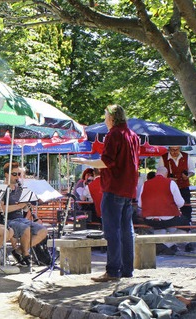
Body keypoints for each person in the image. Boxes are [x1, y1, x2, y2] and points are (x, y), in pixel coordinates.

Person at [72, 104, 140, 282]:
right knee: (127, 231)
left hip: (114, 187)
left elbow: (106, 162)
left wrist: (85, 161)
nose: (104, 120)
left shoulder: (114, 134)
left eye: (105, 116)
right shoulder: (132, 135)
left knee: (112, 232)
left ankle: (113, 271)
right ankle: (127, 270)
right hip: (128, 189)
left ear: (111, 118)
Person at [2, 162, 47, 267]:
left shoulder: (20, 189)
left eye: (19, 174)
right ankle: (26, 255)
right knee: (25, 228)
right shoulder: (2, 189)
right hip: (7, 220)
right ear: (6, 174)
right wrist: (19, 206)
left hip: (20, 219)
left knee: (43, 230)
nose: (17, 177)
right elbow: (2, 209)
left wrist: (27, 205)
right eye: (14, 174)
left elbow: (24, 208)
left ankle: (18, 251)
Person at [139, 167, 186, 255]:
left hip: (149, 218)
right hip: (169, 217)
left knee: (159, 226)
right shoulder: (171, 183)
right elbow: (180, 203)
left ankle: (161, 245)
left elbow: (140, 204)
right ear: (166, 174)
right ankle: (165, 245)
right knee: (185, 224)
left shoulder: (145, 184)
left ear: (156, 173)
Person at [157, 146, 195, 252]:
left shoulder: (186, 156)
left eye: (176, 150)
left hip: (184, 188)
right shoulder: (163, 158)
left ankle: (188, 241)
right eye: (172, 150)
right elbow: (160, 174)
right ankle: (171, 243)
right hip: (169, 188)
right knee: (170, 214)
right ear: (169, 149)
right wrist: (168, 179)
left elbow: (192, 171)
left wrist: (187, 176)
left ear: (180, 149)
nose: (174, 152)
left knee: (187, 213)